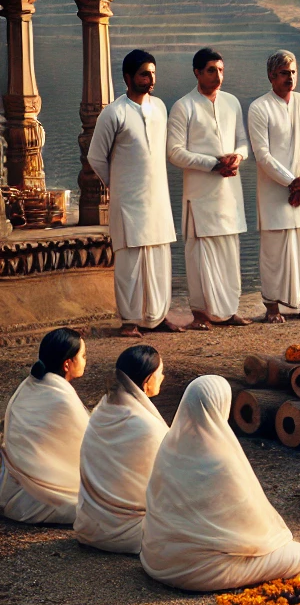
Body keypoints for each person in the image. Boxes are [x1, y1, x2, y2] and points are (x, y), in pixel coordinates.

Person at [140, 375, 300, 591]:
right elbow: (251, 528)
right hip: (198, 573)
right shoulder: (219, 458)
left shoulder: (168, 445)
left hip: (156, 561)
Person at [87, 50, 181, 337]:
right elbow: (96, 157)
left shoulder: (161, 107)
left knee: (159, 259)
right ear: (128, 77)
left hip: (157, 199)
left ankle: (158, 316)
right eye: (143, 73)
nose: (150, 79)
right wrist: (119, 186)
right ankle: (130, 321)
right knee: (130, 263)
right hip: (128, 202)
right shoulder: (114, 112)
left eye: (152, 73)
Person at [167, 48, 251, 330]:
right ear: (197, 73)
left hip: (229, 191)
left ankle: (228, 311)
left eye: (221, 70)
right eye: (212, 70)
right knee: (200, 255)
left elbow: (243, 142)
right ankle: (201, 313)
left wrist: (236, 158)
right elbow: (175, 152)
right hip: (200, 194)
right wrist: (213, 164)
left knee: (229, 252)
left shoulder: (232, 103)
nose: (218, 76)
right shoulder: (184, 106)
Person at [247, 51, 300, 323]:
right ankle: (272, 307)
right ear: (271, 76)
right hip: (275, 191)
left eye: (292, 72)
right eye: (283, 73)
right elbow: (262, 155)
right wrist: (292, 181)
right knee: (274, 252)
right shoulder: (259, 107)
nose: (289, 77)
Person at [74, 345, 168, 554]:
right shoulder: (147, 427)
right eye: (160, 373)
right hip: (133, 535)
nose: (163, 377)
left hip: (90, 527)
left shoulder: (100, 413)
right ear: (146, 381)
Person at [0, 328, 89, 524]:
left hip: (14, 491)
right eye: (82, 356)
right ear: (67, 364)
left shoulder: (31, 384)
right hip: (38, 498)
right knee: (98, 508)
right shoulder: (61, 398)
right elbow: (91, 448)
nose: (85, 360)